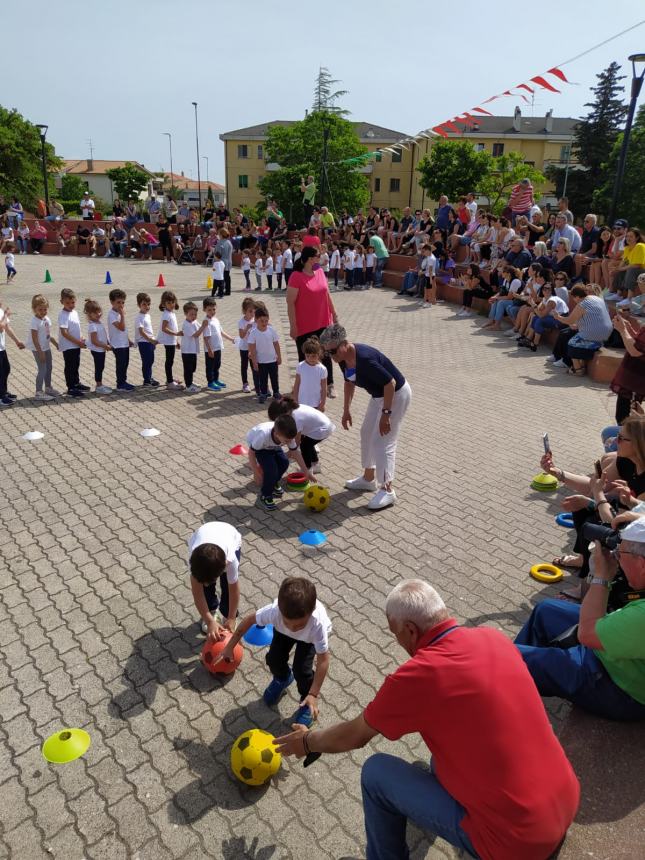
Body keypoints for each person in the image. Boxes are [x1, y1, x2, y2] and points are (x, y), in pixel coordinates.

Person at [274, 578, 579, 860]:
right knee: (436, 763)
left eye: (395, 635)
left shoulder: (419, 676)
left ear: (411, 630)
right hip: (564, 800)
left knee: (377, 773)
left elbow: (354, 735)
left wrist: (307, 741)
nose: (399, 643)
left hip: (517, 842)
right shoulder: (493, 639)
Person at [515, 518, 645, 721]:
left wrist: (602, 575)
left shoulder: (642, 616)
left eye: (621, 553)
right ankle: (516, 686)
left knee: (515, 657)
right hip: (619, 652)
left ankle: (509, 685)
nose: (617, 558)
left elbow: (587, 635)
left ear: (642, 564)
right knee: (546, 609)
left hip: (620, 686)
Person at [319, 323, 412, 511]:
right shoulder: (344, 359)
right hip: (379, 396)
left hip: (396, 395)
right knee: (366, 432)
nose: (332, 356)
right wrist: (346, 410)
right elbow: (349, 382)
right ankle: (368, 478)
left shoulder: (365, 359)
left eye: (333, 351)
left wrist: (386, 415)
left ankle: (387, 490)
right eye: (328, 353)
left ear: (344, 344)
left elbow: (390, 384)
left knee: (383, 441)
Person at [218, 577, 331, 728]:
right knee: (273, 659)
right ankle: (283, 678)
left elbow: (323, 661)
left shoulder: (317, 624)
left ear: (311, 614)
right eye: (288, 622)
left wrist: (313, 694)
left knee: (302, 670)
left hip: (308, 639)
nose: (293, 628)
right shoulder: (274, 612)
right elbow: (248, 621)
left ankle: (306, 700)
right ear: (280, 611)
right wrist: (229, 647)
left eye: (299, 625)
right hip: (281, 632)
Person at [286, 246, 338, 399]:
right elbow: (290, 302)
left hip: (323, 321)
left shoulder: (321, 273)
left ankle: (330, 385)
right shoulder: (296, 276)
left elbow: (327, 295)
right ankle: (302, 388)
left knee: (326, 355)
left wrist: (334, 314)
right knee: (305, 357)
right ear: (310, 259)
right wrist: (293, 326)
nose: (320, 257)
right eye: (317, 255)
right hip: (304, 325)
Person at [246, 414, 313, 511]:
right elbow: (251, 453)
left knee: (284, 463)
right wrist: (256, 473)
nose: (289, 442)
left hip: (272, 445)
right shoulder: (263, 435)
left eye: (290, 440)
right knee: (271, 469)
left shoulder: (286, 435)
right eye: (286, 441)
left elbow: (296, 453)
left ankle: (272, 483)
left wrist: (306, 471)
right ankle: (266, 495)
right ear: (277, 434)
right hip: (260, 448)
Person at [188, 521, 242, 640]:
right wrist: (209, 621)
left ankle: (227, 615)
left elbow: (234, 591)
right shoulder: (195, 561)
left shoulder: (230, 560)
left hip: (230, 535)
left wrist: (232, 617)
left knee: (227, 587)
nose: (206, 584)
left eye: (209, 581)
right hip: (204, 534)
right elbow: (197, 594)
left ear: (223, 567)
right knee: (205, 590)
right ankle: (212, 612)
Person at [549, 286, 613, 375]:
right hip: (606, 334)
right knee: (577, 334)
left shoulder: (582, 304)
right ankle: (581, 364)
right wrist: (578, 325)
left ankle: (578, 369)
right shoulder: (597, 299)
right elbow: (593, 318)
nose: (574, 300)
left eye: (574, 298)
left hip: (594, 334)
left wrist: (557, 317)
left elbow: (569, 320)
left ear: (577, 297)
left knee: (571, 343)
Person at [269, 395, 335, 474]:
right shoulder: (292, 408)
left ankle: (307, 469)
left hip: (322, 429)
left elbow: (297, 440)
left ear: (284, 413)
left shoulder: (296, 418)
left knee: (304, 446)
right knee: (308, 444)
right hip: (321, 425)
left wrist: (291, 452)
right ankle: (315, 465)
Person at [610, 313, 645, 422]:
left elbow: (635, 351)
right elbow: (640, 345)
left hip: (636, 380)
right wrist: (629, 330)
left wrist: (622, 330)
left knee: (626, 419)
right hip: (634, 379)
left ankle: (627, 438)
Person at [27, 295, 59, 401]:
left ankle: (48, 388)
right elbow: (35, 339)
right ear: (34, 309)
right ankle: (38, 392)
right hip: (38, 349)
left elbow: (48, 335)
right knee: (42, 369)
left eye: (45, 309)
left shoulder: (46, 319)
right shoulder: (34, 322)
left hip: (46, 347)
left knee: (49, 368)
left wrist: (56, 344)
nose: (43, 311)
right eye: (40, 309)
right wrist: (40, 352)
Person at [58, 289, 89, 398]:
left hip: (76, 344)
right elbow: (64, 333)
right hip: (68, 346)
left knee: (76, 364)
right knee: (70, 366)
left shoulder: (74, 312)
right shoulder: (63, 315)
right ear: (61, 302)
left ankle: (76, 383)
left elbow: (76, 327)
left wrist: (81, 337)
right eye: (67, 303)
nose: (71, 305)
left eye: (73, 302)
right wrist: (77, 342)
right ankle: (71, 387)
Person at [247, 306, 281, 404]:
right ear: (256, 320)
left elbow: (276, 344)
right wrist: (254, 362)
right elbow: (252, 349)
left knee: (274, 377)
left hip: (272, 360)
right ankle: (263, 393)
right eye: (262, 321)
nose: (264, 323)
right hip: (261, 361)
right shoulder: (253, 333)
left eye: (266, 321)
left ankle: (276, 392)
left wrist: (279, 356)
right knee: (262, 379)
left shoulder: (271, 330)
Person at [202, 296, 235, 391]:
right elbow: (206, 337)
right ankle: (210, 382)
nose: (212, 311)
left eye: (213, 309)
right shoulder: (206, 321)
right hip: (211, 349)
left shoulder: (215, 320)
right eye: (209, 310)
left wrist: (231, 339)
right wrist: (209, 349)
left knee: (217, 365)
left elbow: (221, 332)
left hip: (218, 347)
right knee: (210, 366)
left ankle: (216, 380)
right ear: (204, 310)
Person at [85, 299, 113, 395]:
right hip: (97, 350)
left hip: (101, 349)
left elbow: (103, 335)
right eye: (95, 313)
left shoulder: (99, 322)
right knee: (99, 367)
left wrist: (108, 342)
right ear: (89, 314)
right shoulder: (92, 325)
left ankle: (100, 384)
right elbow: (94, 341)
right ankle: (99, 386)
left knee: (101, 366)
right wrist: (105, 346)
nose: (98, 314)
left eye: (99, 311)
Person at [157, 290, 183, 390]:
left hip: (171, 340)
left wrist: (176, 341)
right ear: (163, 304)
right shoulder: (167, 314)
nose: (171, 304)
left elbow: (173, 327)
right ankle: (170, 382)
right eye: (168, 303)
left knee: (170, 361)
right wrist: (176, 334)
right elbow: (164, 328)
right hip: (168, 341)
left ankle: (170, 379)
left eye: (173, 302)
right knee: (169, 361)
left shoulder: (171, 313)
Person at [0, 303, 25, 407]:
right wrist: (6, 316)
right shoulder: (3, 313)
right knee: (0, 373)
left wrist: (17, 341)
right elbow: (1, 326)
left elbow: (7, 328)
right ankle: (1, 397)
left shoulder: (0, 310)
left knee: (6, 369)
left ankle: (3, 391)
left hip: (1, 348)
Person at [134, 292, 159, 387]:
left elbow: (149, 330)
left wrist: (153, 340)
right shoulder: (139, 317)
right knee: (146, 361)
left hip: (149, 342)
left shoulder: (147, 315)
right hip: (144, 342)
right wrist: (150, 340)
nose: (147, 306)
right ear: (138, 305)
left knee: (151, 360)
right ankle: (146, 380)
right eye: (144, 304)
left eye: (148, 304)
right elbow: (141, 332)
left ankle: (149, 377)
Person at [180, 301, 202, 393]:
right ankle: (188, 386)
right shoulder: (186, 325)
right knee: (188, 368)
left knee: (193, 367)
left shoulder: (194, 322)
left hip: (193, 350)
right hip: (187, 351)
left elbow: (201, 327)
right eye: (191, 314)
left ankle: (190, 382)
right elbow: (195, 335)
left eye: (195, 314)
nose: (193, 316)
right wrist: (203, 327)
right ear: (186, 314)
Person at [238, 297, 258, 394]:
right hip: (244, 348)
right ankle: (245, 384)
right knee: (244, 366)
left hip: (253, 348)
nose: (252, 314)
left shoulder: (255, 320)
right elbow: (241, 336)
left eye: (254, 311)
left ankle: (257, 383)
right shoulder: (241, 322)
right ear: (244, 311)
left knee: (254, 365)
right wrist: (246, 328)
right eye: (250, 311)